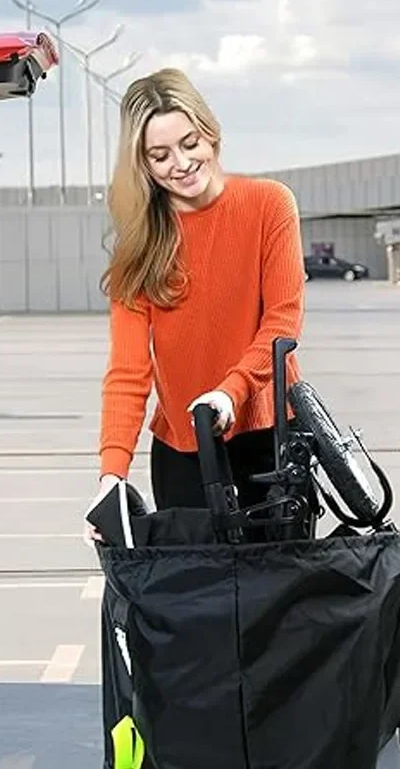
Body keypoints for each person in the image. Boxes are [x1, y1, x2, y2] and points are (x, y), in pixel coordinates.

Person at [86, 67, 306, 541]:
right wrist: (112, 476)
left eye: (190, 143)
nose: (181, 163)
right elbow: (127, 371)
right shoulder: (140, 247)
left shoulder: (269, 204)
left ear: (210, 134)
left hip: (271, 437)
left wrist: (230, 391)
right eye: (159, 155)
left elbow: (282, 323)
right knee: (196, 605)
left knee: (278, 602)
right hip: (183, 451)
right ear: (142, 164)